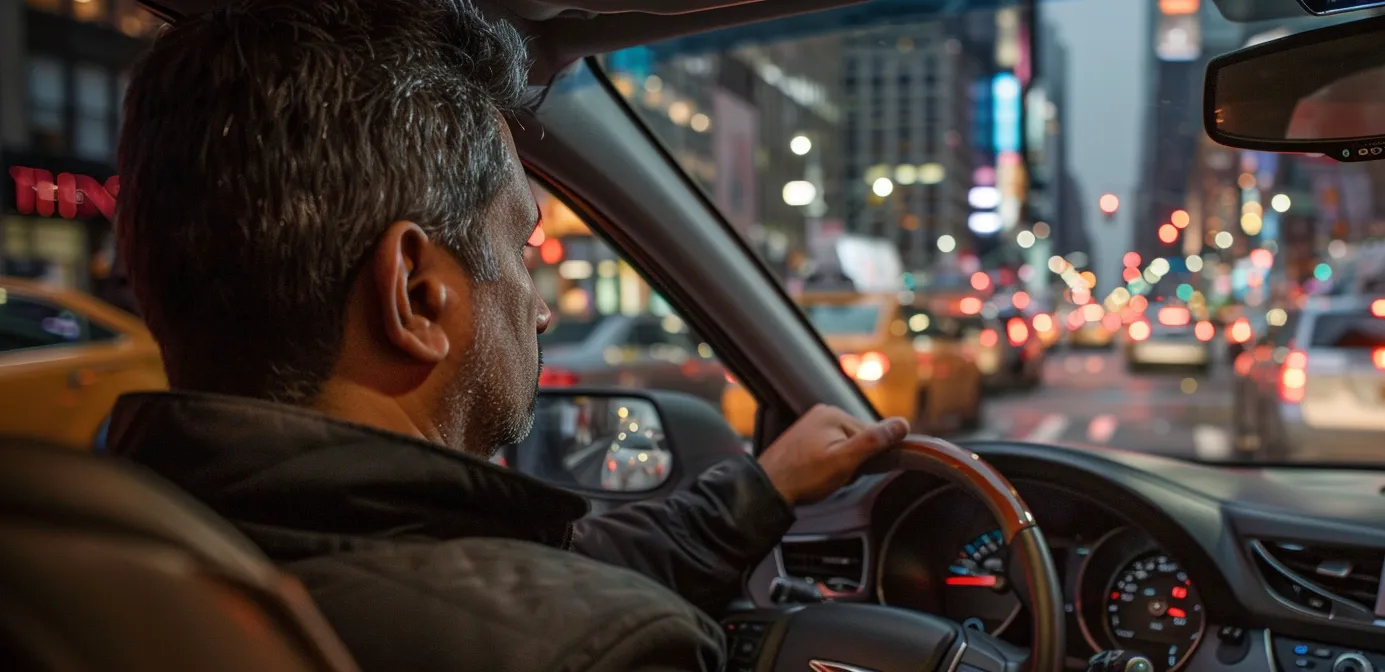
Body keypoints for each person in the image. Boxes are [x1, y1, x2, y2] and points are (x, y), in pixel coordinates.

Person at [103, 0, 910, 670]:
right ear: (417, 294)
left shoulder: (93, 560)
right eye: (520, 247)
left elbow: (519, 576)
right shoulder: (597, 651)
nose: (541, 308)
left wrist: (758, 494)